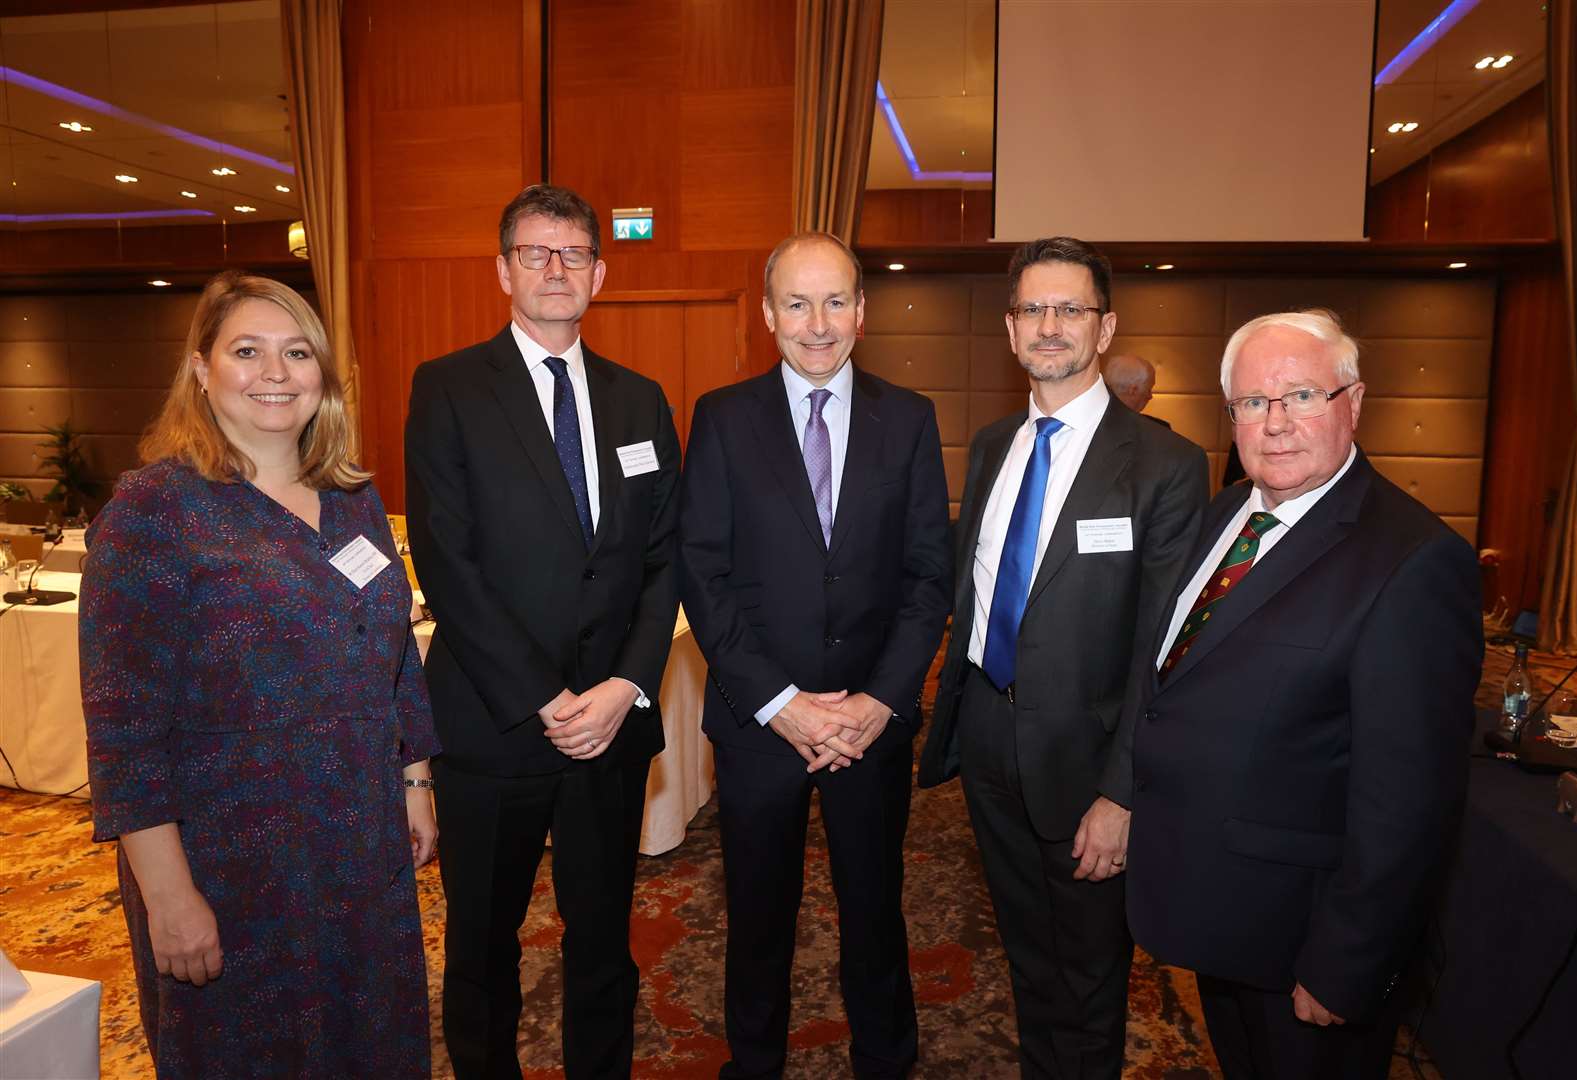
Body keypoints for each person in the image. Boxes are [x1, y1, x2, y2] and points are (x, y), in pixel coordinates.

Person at [80, 271, 439, 1078]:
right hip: (231, 857)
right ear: (202, 369)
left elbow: (394, 648)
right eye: (248, 351)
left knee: (370, 1042)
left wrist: (414, 780)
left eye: (297, 352)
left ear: (322, 375)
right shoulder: (152, 512)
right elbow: (123, 731)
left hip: (357, 838)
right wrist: (170, 899)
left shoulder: (353, 497)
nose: (277, 372)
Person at [1127, 309, 1483, 1079]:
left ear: (1353, 402)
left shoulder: (1414, 561)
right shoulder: (1231, 513)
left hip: (1308, 943)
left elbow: (1409, 800)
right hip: (1222, 914)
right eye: (1253, 403)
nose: (1276, 422)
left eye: (1302, 397)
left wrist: (1346, 960)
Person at [404, 183, 680, 1079]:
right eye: (536, 253)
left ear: (600, 274)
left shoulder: (642, 402)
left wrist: (626, 685)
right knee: (483, 947)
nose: (556, 270)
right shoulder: (447, 388)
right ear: (503, 270)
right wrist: (545, 697)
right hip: (495, 723)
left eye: (573, 255)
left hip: (611, 725)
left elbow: (662, 562)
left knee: (604, 943)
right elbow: (449, 565)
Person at [918, 237, 1208, 1079]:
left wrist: (1123, 793)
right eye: (1034, 310)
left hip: (1088, 771)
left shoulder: (1165, 466)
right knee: (1026, 958)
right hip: (988, 744)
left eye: (1070, 309)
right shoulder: (992, 445)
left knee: (1088, 977)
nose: (1051, 327)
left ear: (1105, 326)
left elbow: (1167, 651)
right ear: (1010, 331)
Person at [677, 231, 953, 1078]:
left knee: (875, 913)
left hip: (872, 723)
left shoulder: (908, 419)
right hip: (761, 725)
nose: (818, 322)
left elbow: (927, 577)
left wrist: (879, 702)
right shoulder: (723, 418)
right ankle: (753, 1065)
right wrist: (781, 703)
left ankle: (887, 1060)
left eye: (836, 301)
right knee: (758, 918)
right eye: (798, 302)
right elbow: (704, 572)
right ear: (768, 315)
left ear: (863, 314)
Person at [1100, 353, 1164, 424]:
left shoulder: (1091, 420)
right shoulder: (1157, 430)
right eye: (1148, 389)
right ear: (1133, 390)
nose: (1150, 396)